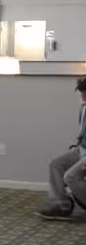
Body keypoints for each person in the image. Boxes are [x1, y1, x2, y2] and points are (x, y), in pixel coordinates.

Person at [37, 77, 86, 219]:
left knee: (70, 177)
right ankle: (61, 204)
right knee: (56, 165)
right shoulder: (83, 108)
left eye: (85, 93)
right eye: (82, 92)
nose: (82, 96)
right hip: (82, 149)